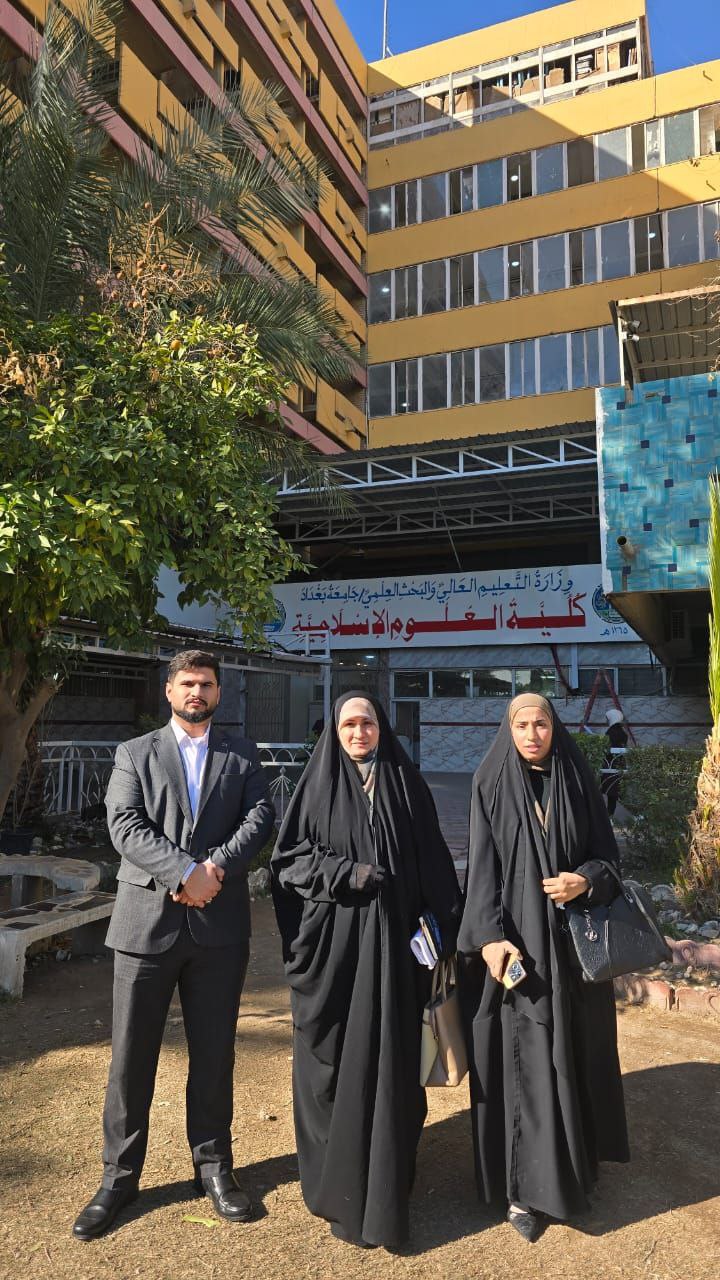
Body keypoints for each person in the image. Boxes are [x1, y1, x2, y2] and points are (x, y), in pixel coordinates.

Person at [73, 649, 274, 1241]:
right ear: (169, 690)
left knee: (214, 1055)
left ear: (219, 692)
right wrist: (184, 872)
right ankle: (118, 1178)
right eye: (187, 683)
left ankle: (213, 1168)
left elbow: (260, 817)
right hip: (145, 926)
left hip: (219, 929)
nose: (196, 692)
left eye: (206, 683)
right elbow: (124, 825)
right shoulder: (134, 753)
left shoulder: (242, 754)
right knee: (131, 1058)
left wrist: (214, 869)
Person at [271, 692, 462, 1250]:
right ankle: (338, 1187)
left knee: (394, 1058)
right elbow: (288, 862)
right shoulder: (316, 786)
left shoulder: (407, 784)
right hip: (336, 953)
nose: (359, 733)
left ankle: (388, 1181)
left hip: (398, 953)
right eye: (349, 724)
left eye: (369, 723)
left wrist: (441, 927)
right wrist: (345, 874)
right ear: (334, 731)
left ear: (382, 727)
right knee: (333, 1059)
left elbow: (435, 864)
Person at [458, 693, 629, 1244]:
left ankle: (575, 1171)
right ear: (508, 729)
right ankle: (523, 1191)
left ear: (554, 727)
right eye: (522, 725)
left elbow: (608, 859)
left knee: (574, 1053)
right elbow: (481, 870)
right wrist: (488, 938)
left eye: (541, 724)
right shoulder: (490, 782)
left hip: (573, 952)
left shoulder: (576, 781)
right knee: (523, 1063)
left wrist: (586, 880)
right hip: (519, 951)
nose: (532, 734)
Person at [603, 708, 629, 818]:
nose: (606, 721)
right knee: (615, 792)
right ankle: (609, 815)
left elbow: (609, 750)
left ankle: (608, 815)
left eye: (607, 719)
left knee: (611, 791)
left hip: (611, 764)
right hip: (619, 764)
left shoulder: (611, 733)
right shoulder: (623, 733)